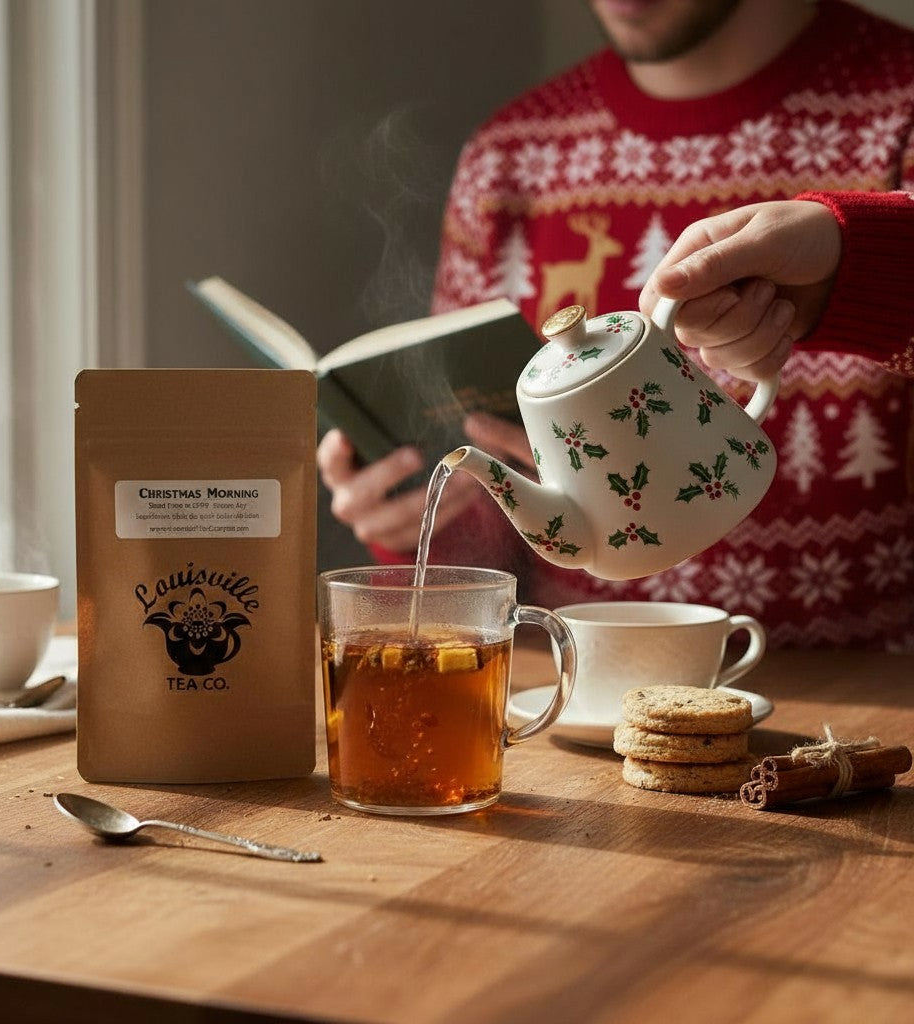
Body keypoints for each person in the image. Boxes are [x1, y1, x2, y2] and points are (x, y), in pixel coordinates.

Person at [318, 0, 914, 650]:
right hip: (581, 699)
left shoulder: (900, 105)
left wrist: (858, 261)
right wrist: (410, 524)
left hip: (868, 703)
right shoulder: (511, 156)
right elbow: (500, 522)